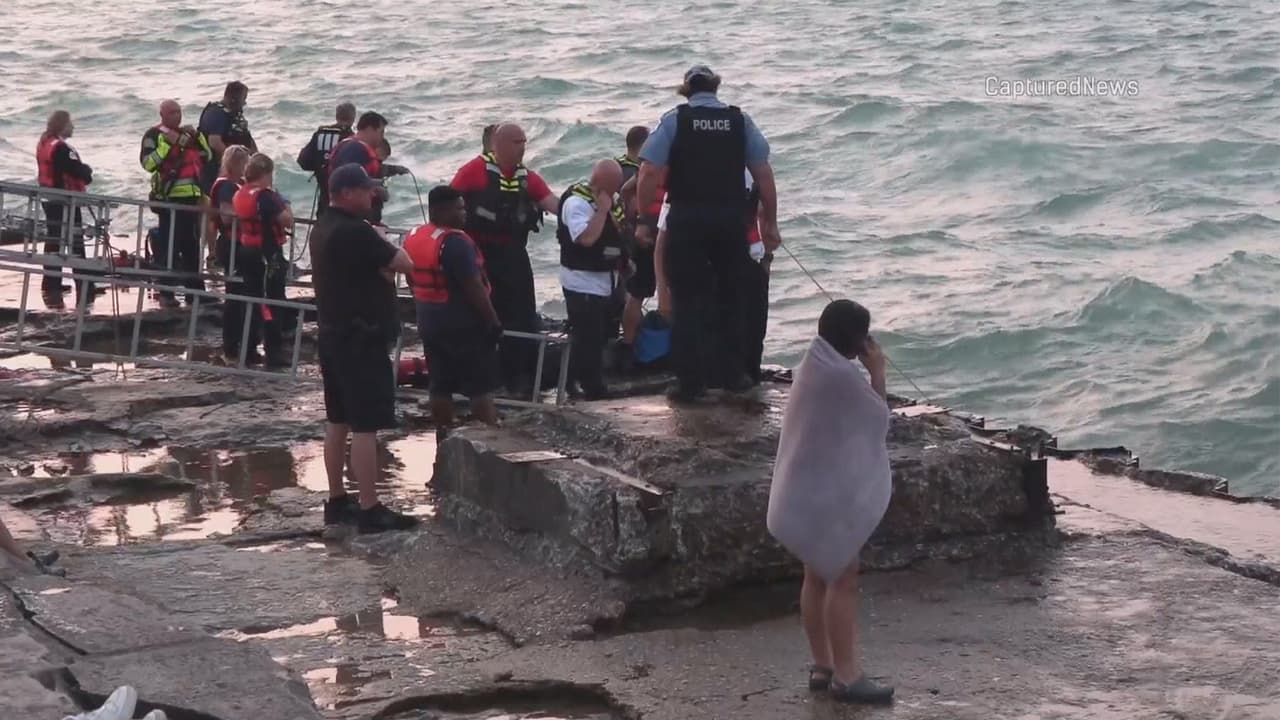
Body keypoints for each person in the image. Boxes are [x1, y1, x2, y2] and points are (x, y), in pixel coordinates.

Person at [766, 300, 894, 705]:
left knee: (816, 572)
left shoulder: (813, 363)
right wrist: (877, 372)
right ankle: (847, 675)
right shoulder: (841, 376)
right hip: (820, 493)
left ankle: (822, 666)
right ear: (857, 341)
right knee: (843, 574)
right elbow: (877, 419)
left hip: (803, 490)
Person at [636, 65, 781, 402]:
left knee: (688, 299)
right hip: (731, 220)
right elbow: (764, 175)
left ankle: (691, 382)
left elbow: (648, 172)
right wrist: (770, 222)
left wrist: (645, 218)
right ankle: (734, 376)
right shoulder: (739, 120)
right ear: (716, 88)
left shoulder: (675, 120)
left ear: (686, 90)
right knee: (733, 298)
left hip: (688, 219)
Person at [309, 163, 417, 534]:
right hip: (361, 338)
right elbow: (405, 263)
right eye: (366, 189)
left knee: (337, 421)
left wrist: (380, 266)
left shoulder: (324, 227)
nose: (373, 195)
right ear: (347, 193)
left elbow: (377, 269)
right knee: (366, 425)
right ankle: (370, 506)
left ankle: (338, 500)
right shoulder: (357, 232)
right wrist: (386, 245)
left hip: (332, 335)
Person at [450, 123, 561, 395]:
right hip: (478, 252)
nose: (522, 147)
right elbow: (446, 204)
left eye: (524, 141)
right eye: (516, 142)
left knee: (522, 314)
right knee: (479, 312)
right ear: (498, 145)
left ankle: (519, 375)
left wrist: (582, 212)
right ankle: (478, 375)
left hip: (513, 253)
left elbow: (551, 203)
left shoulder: (528, 178)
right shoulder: (473, 172)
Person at [405, 186, 502, 435]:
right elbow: (474, 287)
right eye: (459, 208)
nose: (464, 213)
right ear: (441, 211)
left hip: (428, 319)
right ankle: (489, 435)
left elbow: (410, 277)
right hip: (462, 324)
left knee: (439, 384)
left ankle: (443, 432)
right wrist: (492, 322)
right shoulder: (455, 243)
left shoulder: (414, 236)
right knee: (479, 386)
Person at [557, 159, 627, 399]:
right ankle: (590, 386)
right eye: (614, 185)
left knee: (600, 334)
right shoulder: (577, 203)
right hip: (581, 281)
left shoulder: (610, 199)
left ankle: (579, 379)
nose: (618, 190)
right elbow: (586, 238)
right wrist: (602, 210)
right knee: (587, 336)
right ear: (600, 182)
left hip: (606, 280)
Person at [141, 99, 213, 307]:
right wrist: (166, 145)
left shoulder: (187, 135)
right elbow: (148, 163)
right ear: (162, 114)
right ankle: (166, 292)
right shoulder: (154, 135)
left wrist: (198, 138)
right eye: (172, 112)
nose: (177, 116)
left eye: (179, 112)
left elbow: (206, 156)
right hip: (169, 199)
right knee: (169, 247)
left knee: (191, 246)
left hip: (191, 198)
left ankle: (195, 293)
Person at [232, 153, 293, 367]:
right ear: (266, 174)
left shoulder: (241, 193)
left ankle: (247, 349)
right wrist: (285, 203)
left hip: (247, 249)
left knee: (252, 299)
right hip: (267, 253)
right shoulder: (265, 196)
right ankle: (274, 351)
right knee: (273, 302)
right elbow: (287, 221)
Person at [35, 110, 94, 308]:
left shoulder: (45, 142)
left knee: (54, 240)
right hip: (65, 201)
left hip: (49, 198)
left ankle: (51, 283)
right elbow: (78, 171)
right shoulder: (61, 148)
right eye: (71, 123)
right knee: (76, 242)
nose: (73, 127)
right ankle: (85, 285)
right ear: (62, 125)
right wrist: (88, 170)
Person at [209, 145, 252, 360]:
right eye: (244, 163)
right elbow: (226, 216)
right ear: (234, 164)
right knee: (235, 296)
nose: (247, 167)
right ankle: (231, 345)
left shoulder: (239, 184)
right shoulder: (225, 186)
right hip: (230, 242)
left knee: (244, 294)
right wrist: (251, 214)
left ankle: (244, 343)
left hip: (242, 243)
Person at [327, 112, 408, 225]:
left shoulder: (357, 148)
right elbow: (348, 181)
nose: (382, 137)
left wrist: (393, 169)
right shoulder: (354, 149)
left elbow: (365, 171)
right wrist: (376, 188)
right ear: (370, 129)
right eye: (381, 132)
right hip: (352, 219)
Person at [297, 102, 356, 217]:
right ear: (353, 118)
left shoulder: (321, 134)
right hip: (344, 198)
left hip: (324, 193)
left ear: (336, 116)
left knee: (323, 222)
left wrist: (319, 166)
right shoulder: (350, 139)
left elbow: (303, 161)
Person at [198, 81, 257, 193]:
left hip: (239, 170)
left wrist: (255, 159)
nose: (244, 102)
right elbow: (214, 142)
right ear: (233, 98)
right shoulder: (216, 113)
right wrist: (234, 161)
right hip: (217, 170)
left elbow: (247, 137)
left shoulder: (235, 115)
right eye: (243, 98)